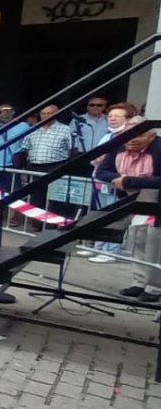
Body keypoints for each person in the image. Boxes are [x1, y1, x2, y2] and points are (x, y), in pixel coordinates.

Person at [94, 116, 160, 303]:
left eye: (139, 134)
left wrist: (130, 181)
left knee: (154, 243)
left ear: (151, 136)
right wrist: (119, 179)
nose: (133, 139)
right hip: (131, 200)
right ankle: (139, 281)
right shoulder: (119, 146)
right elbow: (101, 171)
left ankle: (155, 287)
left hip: (156, 201)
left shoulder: (159, 148)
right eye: (129, 134)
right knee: (136, 239)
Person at [89, 103, 135, 262]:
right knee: (101, 215)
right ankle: (99, 247)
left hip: (116, 181)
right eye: (110, 116)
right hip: (100, 180)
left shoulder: (130, 138)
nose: (112, 119)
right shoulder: (107, 136)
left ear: (128, 119)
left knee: (115, 217)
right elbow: (95, 156)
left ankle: (111, 251)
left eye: (117, 116)